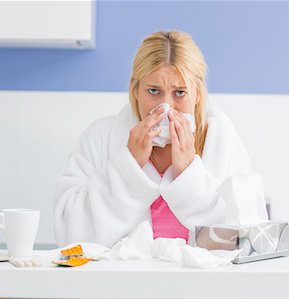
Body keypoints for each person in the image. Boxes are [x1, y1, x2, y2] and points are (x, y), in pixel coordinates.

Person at [53, 30, 268, 248]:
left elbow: (245, 239)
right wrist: (129, 167)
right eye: (154, 91)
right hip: (120, 280)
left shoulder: (222, 140)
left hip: (202, 282)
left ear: (197, 94)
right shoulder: (99, 136)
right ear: (135, 90)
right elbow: (69, 236)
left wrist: (188, 173)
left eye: (180, 93)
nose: (166, 107)